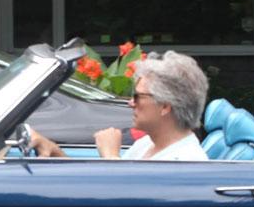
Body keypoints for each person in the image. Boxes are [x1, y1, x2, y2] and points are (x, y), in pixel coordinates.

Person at [31, 50, 209, 160]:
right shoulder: (149, 144)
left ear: (165, 106)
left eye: (138, 96)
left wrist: (110, 156)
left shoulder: (184, 161)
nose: (131, 103)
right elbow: (95, 190)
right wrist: (54, 150)